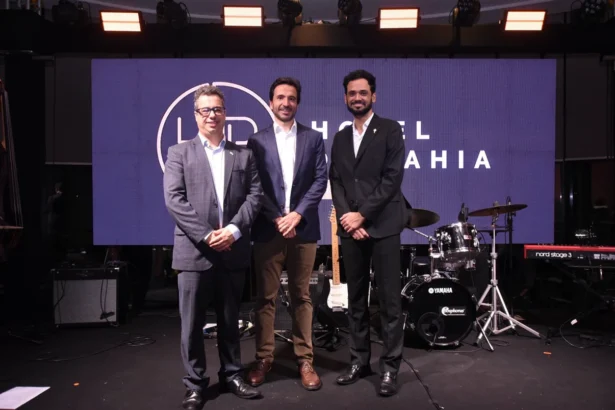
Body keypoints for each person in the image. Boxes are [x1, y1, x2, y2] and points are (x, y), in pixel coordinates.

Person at [163, 85, 264, 410]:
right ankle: (195, 385)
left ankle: (232, 375)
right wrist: (208, 236)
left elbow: (255, 197)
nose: (211, 115)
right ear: (196, 115)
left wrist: (233, 231)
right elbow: (174, 200)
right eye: (205, 110)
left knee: (230, 320)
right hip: (194, 253)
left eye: (217, 109)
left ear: (225, 114)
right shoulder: (179, 152)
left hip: (232, 251)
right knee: (191, 326)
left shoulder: (244, 155)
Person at [329, 69, 408, 397]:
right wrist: (348, 218)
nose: (357, 98)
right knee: (356, 301)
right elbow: (336, 180)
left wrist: (363, 216)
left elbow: (392, 179)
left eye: (363, 92)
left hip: (384, 226)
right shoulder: (340, 137)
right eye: (352, 93)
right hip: (351, 228)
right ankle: (359, 361)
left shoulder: (390, 129)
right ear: (345, 98)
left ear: (373, 96)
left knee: (389, 302)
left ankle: (389, 368)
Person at [246, 77, 328, 390]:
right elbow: (254, 185)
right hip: (268, 229)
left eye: (291, 98)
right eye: (280, 97)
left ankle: (305, 359)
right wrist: (278, 217)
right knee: (265, 298)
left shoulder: (313, 138)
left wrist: (296, 215)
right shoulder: (256, 140)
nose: (285, 103)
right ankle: (264, 358)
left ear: (297, 103)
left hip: (303, 229)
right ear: (271, 102)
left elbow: (320, 180)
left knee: (302, 296)